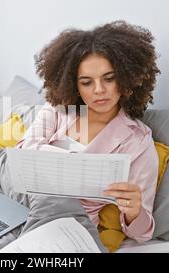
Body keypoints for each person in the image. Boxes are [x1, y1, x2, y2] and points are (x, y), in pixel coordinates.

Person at [16, 20, 160, 243]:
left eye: (109, 79)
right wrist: (78, 163)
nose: (99, 90)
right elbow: (24, 153)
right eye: (86, 82)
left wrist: (134, 211)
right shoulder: (58, 108)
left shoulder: (138, 141)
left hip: (63, 220)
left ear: (125, 78)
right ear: (74, 85)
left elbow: (142, 233)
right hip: (19, 199)